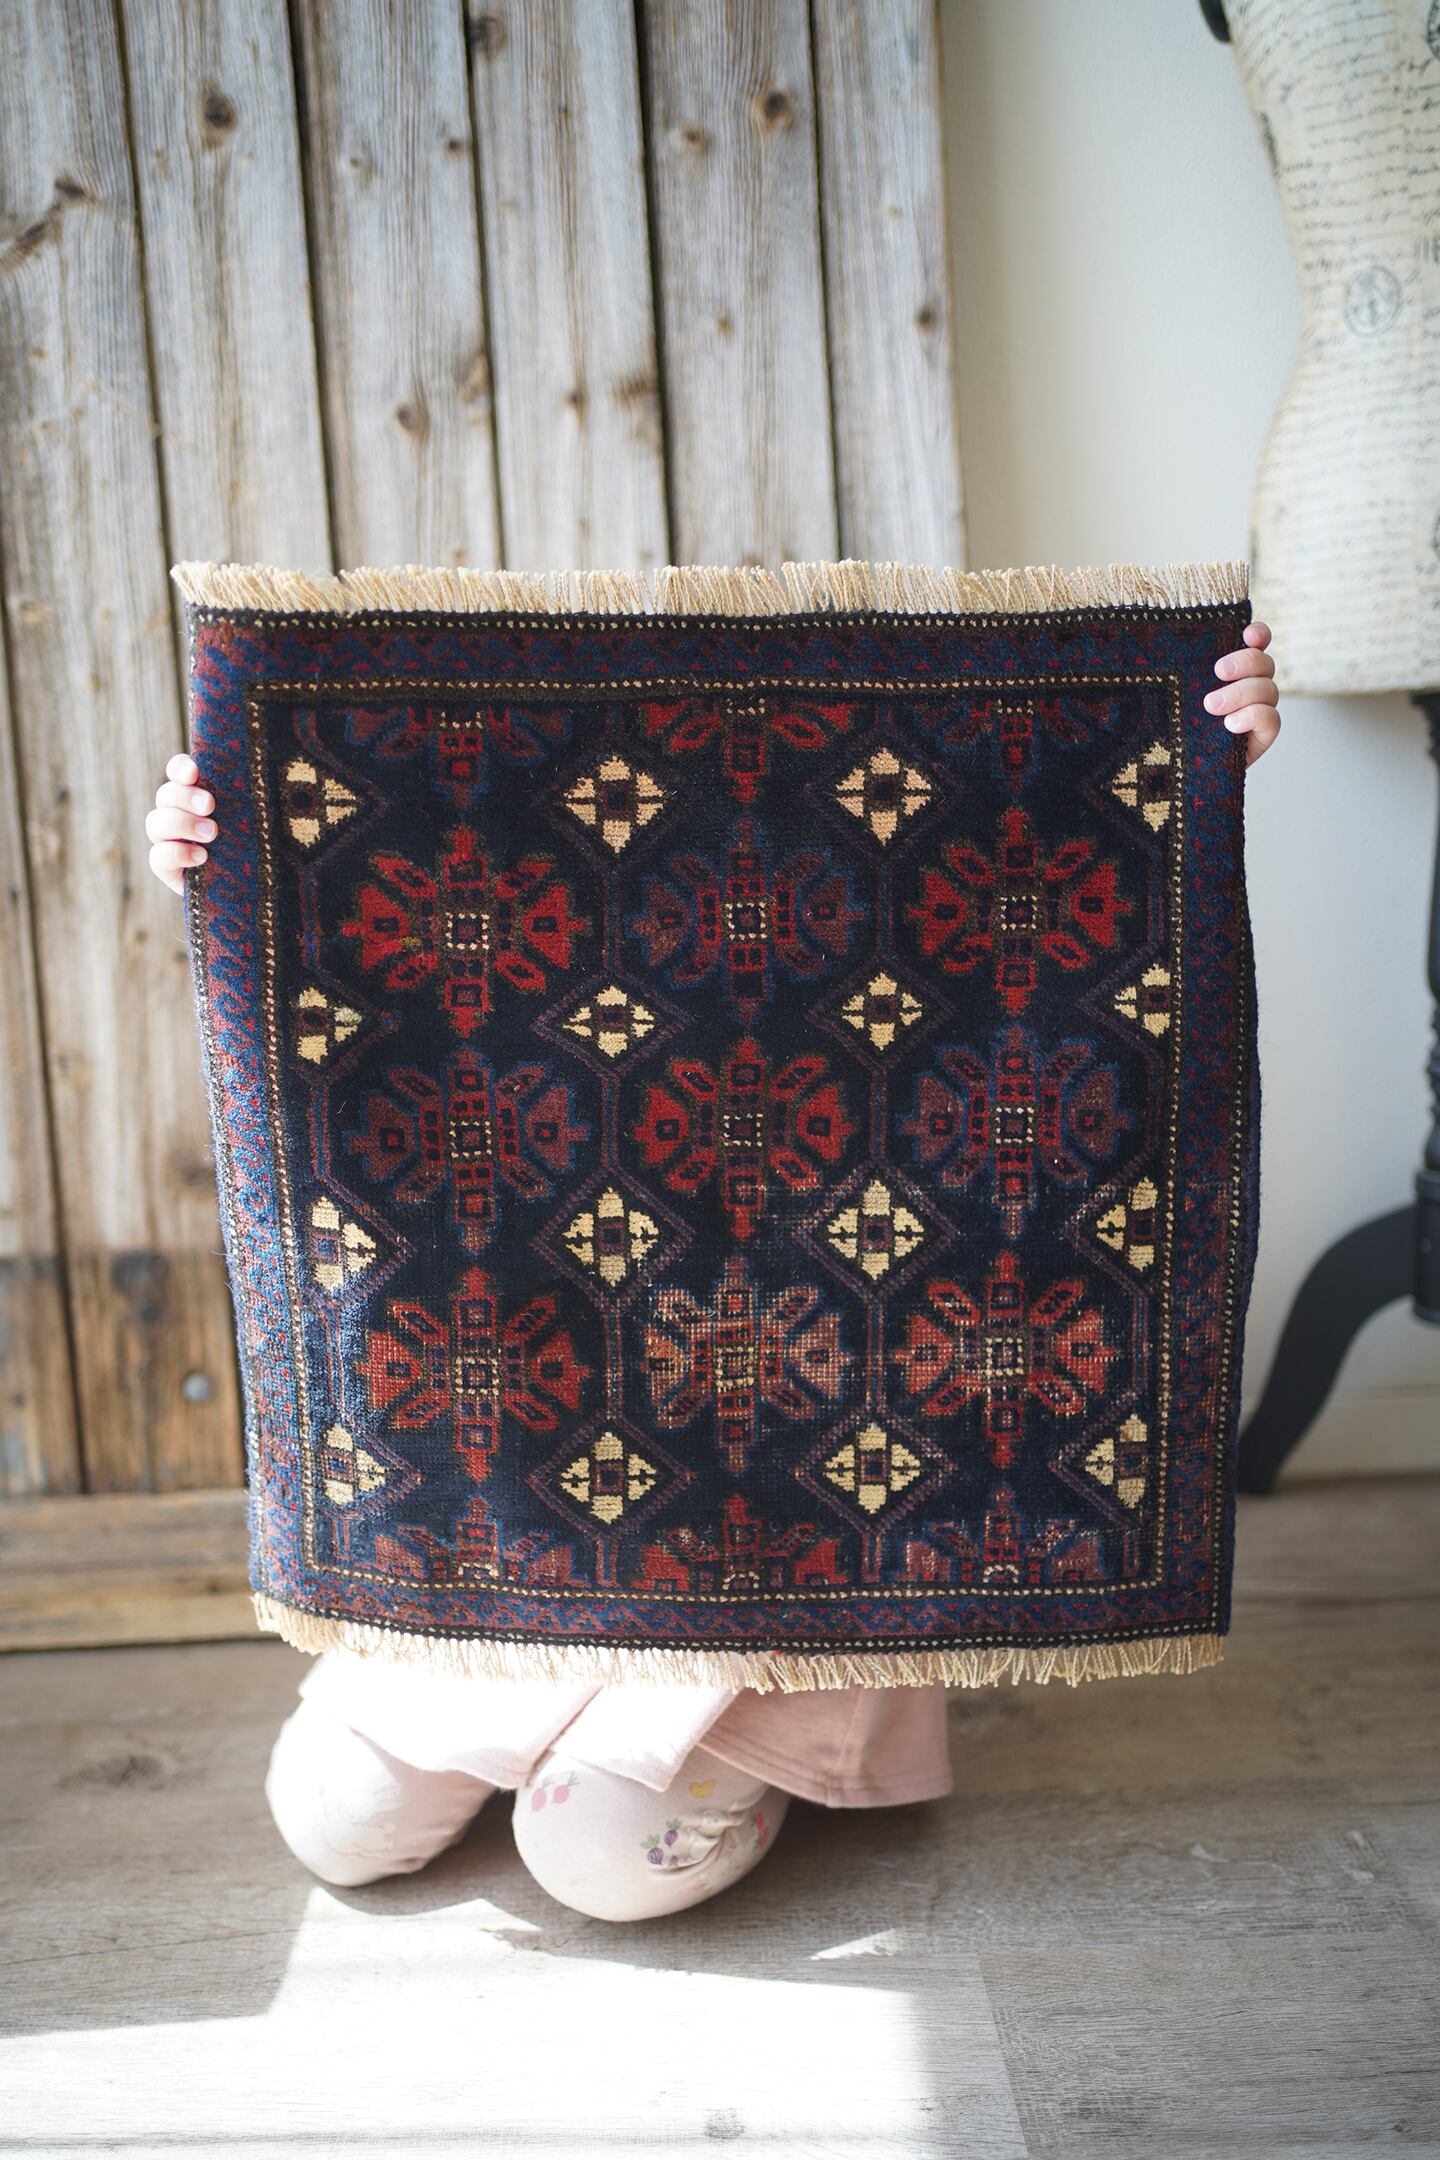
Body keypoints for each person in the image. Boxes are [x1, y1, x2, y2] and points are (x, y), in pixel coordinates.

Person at [145, 620, 1282, 1921]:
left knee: (596, 1852)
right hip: (506, 1510)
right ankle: (522, 1701)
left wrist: (1201, 747)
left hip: (798, 1540)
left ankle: (770, 1736)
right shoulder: (528, 831)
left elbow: (1048, 896)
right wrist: (234, 857)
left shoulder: (863, 824)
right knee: (338, 1823)